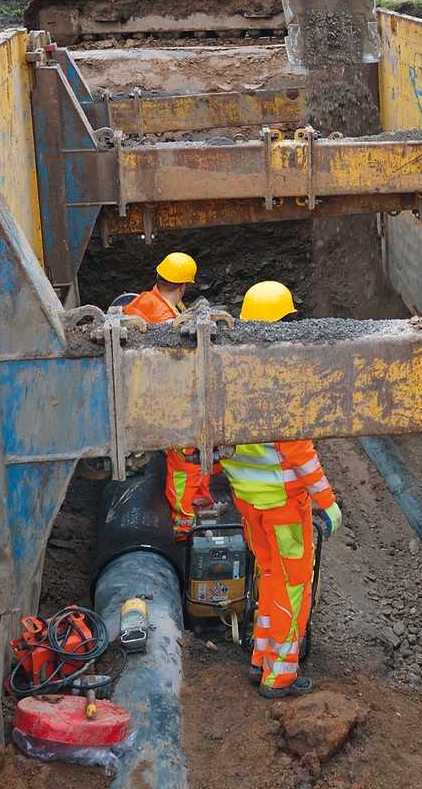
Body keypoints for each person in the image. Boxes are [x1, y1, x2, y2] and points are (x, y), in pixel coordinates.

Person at [220, 281, 342, 699]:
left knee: (269, 578)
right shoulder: (279, 379)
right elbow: (300, 451)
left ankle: (261, 659)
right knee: (293, 587)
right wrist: (327, 502)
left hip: (249, 504)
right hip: (285, 507)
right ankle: (281, 675)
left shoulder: (228, 372)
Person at [124, 252, 212, 538]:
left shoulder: (148, 301)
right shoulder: (163, 317)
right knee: (185, 458)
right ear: (184, 285)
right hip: (163, 398)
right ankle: (183, 522)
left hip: (145, 390)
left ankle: (198, 499)